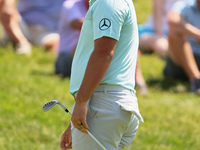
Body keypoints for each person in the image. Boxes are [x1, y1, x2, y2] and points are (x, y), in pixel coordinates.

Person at [60, 0, 144, 149]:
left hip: (103, 106)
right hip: (106, 105)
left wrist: (81, 101)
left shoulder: (108, 2)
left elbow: (104, 53)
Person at [0, 0, 65, 55]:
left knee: (60, 46)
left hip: (49, 31)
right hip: (23, 25)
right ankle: (21, 42)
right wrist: (7, 5)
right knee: (4, 5)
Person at [163, 0, 200, 94]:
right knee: (174, 32)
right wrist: (197, 34)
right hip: (183, 59)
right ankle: (196, 80)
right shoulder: (184, 4)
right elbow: (172, 20)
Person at [55, 0, 89, 77]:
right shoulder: (70, 5)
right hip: (67, 58)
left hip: (85, 57)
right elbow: (79, 24)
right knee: (88, 40)